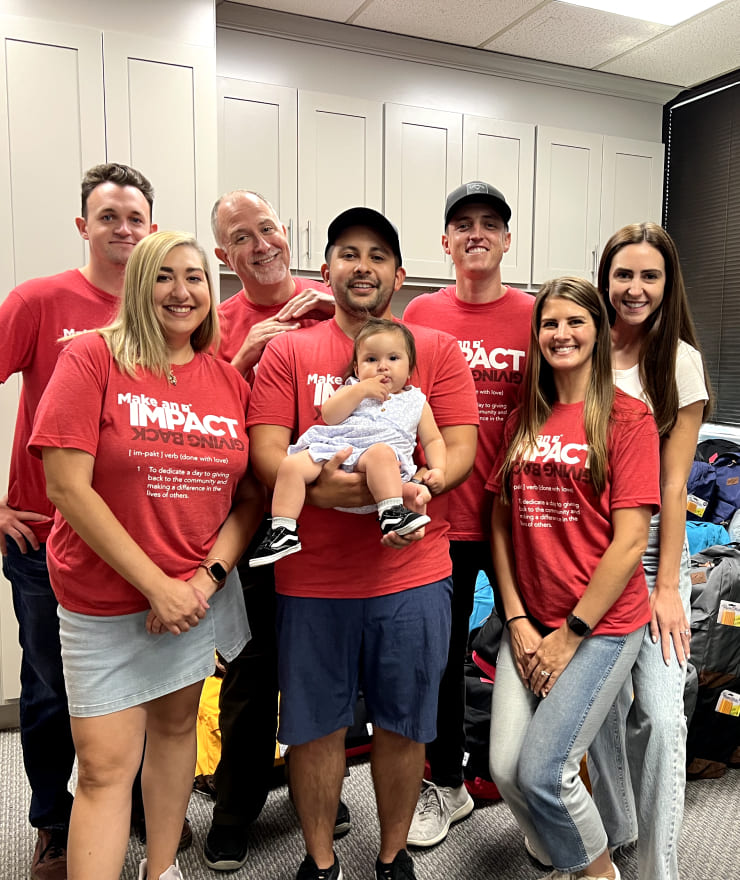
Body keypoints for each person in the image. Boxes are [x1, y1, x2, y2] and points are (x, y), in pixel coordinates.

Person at [247, 206, 478, 880]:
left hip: (411, 572)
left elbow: (456, 445)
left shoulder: (437, 351)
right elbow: (266, 451)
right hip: (312, 578)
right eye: (348, 253)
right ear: (325, 269)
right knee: (313, 728)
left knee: (405, 723)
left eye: (378, 254)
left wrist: (424, 482)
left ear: (399, 275)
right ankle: (320, 862)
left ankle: (390, 854)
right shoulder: (290, 352)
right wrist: (322, 494)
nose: (363, 266)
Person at [28, 230, 262, 880]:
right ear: (138, 286)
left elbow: (248, 500)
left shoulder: (223, 380)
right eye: (164, 276)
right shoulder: (92, 360)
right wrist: (156, 585)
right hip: (103, 604)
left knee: (173, 737)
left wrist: (205, 580)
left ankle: (162, 869)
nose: (182, 290)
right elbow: (66, 487)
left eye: (195, 277)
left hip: (190, 603)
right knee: (104, 769)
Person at [0, 162, 156, 880]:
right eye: (109, 216)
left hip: (140, 545)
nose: (123, 229)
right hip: (46, 540)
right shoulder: (39, 300)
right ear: (83, 225)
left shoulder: (165, 311)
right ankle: (55, 826)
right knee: (52, 689)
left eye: (135, 218)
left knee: (147, 685)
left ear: (151, 228)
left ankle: (141, 808)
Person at [487, 276, 661, 880]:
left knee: (544, 771)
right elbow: (501, 525)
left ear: (601, 330)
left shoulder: (628, 420)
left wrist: (569, 634)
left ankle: (596, 871)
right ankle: (562, 846)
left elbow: (630, 542)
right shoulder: (524, 416)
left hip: (602, 626)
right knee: (507, 770)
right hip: (529, 620)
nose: (560, 333)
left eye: (574, 322)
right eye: (549, 323)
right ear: (536, 337)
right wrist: (515, 619)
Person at [204, 189, 343, 872]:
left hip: (331, 522)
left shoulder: (334, 303)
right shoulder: (214, 320)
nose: (259, 244)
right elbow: (191, 420)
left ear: (287, 232)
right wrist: (247, 354)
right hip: (253, 521)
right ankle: (236, 808)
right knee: (251, 673)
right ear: (225, 255)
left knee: (317, 667)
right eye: (240, 237)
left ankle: (319, 791)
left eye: (267, 229)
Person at [403, 181, 533, 845]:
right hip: (444, 518)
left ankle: (537, 789)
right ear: (445, 242)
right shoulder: (420, 314)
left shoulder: (537, 317)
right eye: (463, 224)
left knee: (533, 653)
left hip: (522, 520)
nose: (476, 232)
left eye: (490, 223)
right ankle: (446, 785)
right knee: (443, 658)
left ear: (508, 239)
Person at [588, 223, 711, 880]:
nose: (635, 289)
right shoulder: (579, 346)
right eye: (624, 274)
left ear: (668, 285)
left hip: (652, 558)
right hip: (589, 555)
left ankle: (655, 870)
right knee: (601, 719)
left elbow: (673, 484)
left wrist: (668, 587)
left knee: (661, 718)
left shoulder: (679, 361)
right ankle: (611, 854)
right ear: (605, 277)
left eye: (650, 276)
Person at [250, 318, 446, 566]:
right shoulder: (352, 388)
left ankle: (392, 512)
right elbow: (330, 415)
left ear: (409, 370)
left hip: (381, 465)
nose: (382, 367)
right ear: (356, 368)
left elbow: (433, 440)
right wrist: (360, 390)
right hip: (339, 450)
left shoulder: (416, 401)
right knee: (290, 465)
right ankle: (283, 530)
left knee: (381, 453)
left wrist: (438, 469)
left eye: (393, 359)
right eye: (371, 360)